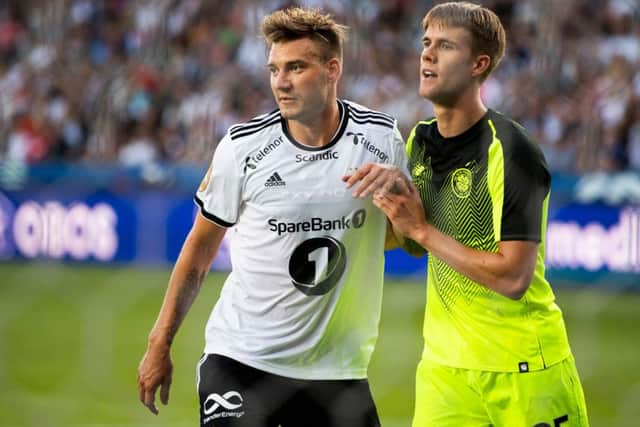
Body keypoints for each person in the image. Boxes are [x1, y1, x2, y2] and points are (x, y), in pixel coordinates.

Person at [137, 7, 407, 427]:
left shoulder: (381, 138)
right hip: (242, 361)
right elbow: (199, 251)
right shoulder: (242, 148)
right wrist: (159, 342)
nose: (281, 81)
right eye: (274, 69)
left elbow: (402, 239)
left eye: (296, 67)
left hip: (338, 372)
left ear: (331, 69)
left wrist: (403, 196)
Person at [347, 2, 590, 426]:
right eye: (425, 43)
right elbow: (409, 241)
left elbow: (513, 278)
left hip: (523, 369)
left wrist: (420, 230)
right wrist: (377, 207)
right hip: (443, 371)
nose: (427, 54)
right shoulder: (419, 140)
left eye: (445, 46)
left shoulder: (512, 151)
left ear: (479, 65)